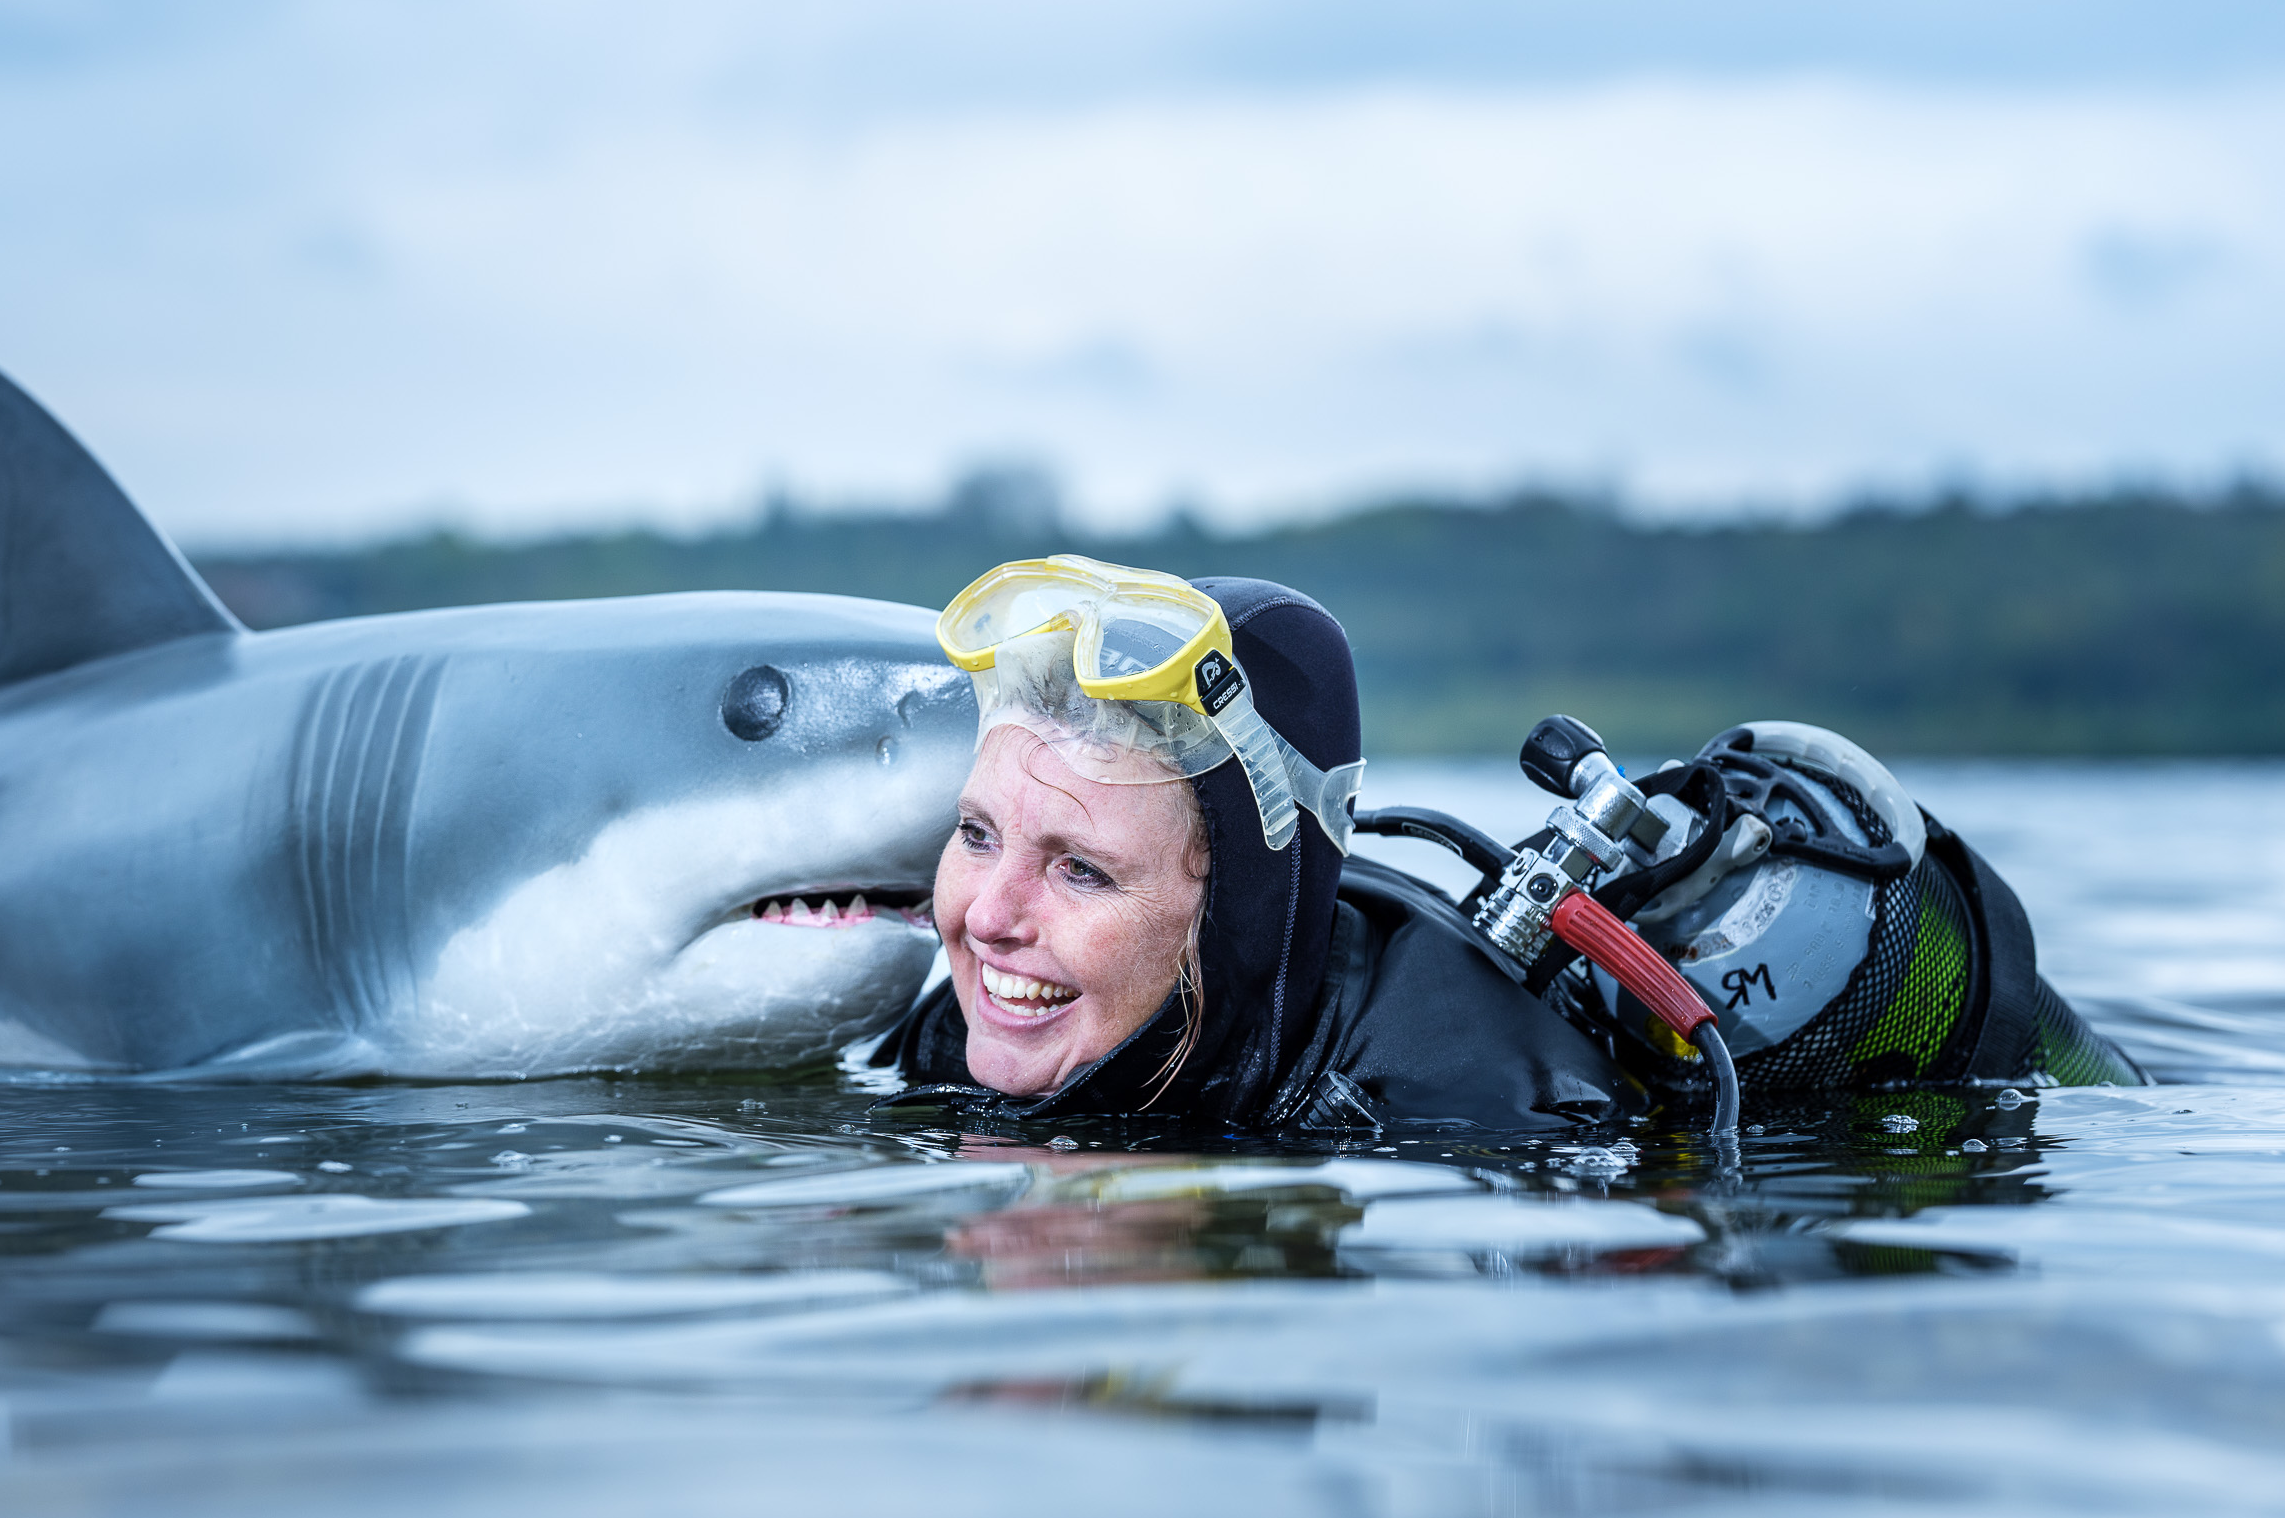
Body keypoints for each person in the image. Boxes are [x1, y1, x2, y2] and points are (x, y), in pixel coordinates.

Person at [876, 555, 2141, 1135]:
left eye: (1081, 868)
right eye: (979, 835)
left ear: (1237, 907)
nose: (989, 916)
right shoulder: (971, 1032)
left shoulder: (1460, 1109)